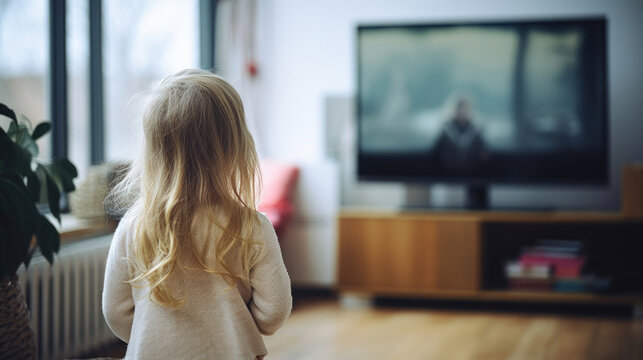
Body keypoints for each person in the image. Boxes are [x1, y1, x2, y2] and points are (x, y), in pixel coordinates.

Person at [102, 69, 292, 360]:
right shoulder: (253, 226)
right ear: (235, 149)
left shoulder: (133, 225)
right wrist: (234, 327)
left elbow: (115, 311)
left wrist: (155, 336)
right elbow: (275, 310)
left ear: (154, 153)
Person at [432, 95, 488, 176]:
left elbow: (484, 153)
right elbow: (437, 153)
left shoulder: (476, 130)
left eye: (466, 108)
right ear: (455, 109)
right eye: (461, 107)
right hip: (448, 175)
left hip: (472, 175)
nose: (463, 111)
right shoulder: (446, 130)